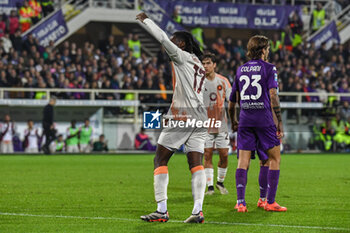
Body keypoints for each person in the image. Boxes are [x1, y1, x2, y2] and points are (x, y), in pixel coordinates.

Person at [136, 12, 207, 223]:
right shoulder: (199, 64)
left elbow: (162, 38)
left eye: (176, 41)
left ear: (182, 44)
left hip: (183, 115)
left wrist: (146, 20)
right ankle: (197, 211)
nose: (171, 44)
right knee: (196, 163)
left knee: (160, 158)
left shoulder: (181, 56)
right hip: (200, 117)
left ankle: (161, 210)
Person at [228, 35, 287, 212]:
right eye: (267, 48)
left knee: (243, 162)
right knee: (273, 159)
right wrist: (279, 122)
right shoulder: (269, 68)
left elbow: (231, 103)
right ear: (263, 50)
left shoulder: (240, 69)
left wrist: (234, 121)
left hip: (245, 120)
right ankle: (269, 201)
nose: (268, 51)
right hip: (264, 120)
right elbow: (273, 95)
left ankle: (240, 202)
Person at [201, 53, 231, 195]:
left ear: (214, 65)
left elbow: (232, 100)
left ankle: (220, 182)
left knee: (224, 155)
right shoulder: (199, 82)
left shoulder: (223, 81)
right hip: (205, 126)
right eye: (203, 63)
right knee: (207, 154)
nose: (205, 66)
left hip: (221, 125)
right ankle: (210, 187)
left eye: (208, 63)